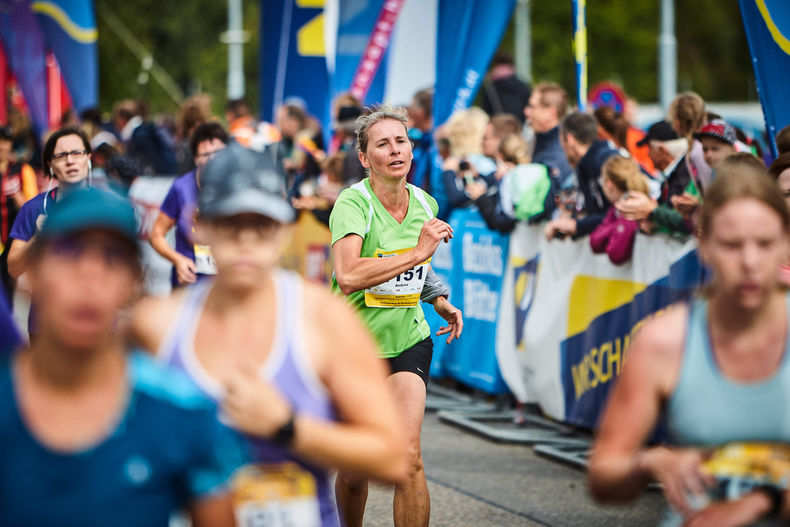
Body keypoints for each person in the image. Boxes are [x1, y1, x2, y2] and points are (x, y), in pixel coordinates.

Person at [132, 142, 408, 526]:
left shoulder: (323, 319)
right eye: (231, 223)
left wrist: (288, 427)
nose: (246, 240)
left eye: (261, 225)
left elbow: (393, 458)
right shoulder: (155, 326)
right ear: (201, 224)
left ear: (283, 230)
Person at [0, 187, 238, 526]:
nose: (90, 276)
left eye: (113, 257)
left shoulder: (181, 410)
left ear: (133, 284)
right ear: (32, 274)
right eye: (69, 251)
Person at [588, 163, 790, 526]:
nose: (749, 262)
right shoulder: (666, 340)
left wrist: (763, 501)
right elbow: (604, 474)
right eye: (731, 245)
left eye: (764, 244)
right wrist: (650, 461)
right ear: (704, 245)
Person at [330, 105, 463, 527]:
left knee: (407, 456)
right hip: (354, 348)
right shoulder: (353, 203)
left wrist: (438, 298)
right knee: (356, 470)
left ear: (411, 149)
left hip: (407, 339)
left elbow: (416, 269)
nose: (395, 150)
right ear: (365, 158)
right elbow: (348, 276)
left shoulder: (425, 202)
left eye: (401, 141)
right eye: (383, 144)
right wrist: (419, 251)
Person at [6, 127, 93, 283]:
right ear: (50, 164)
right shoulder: (34, 208)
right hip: (47, 298)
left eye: (77, 153)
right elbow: (13, 269)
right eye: (61, 156)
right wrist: (38, 238)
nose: (70, 161)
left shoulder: (109, 206)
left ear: (88, 157)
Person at [149, 122, 228, 288]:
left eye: (218, 153)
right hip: (188, 285)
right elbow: (156, 235)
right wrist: (178, 260)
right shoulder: (181, 188)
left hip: (224, 286)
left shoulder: (238, 188)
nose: (212, 159)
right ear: (196, 159)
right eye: (206, 154)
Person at [544, 111, 618, 239]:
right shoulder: (585, 165)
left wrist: (577, 226)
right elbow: (597, 212)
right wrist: (572, 222)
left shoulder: (607, 160)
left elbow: (620, 211)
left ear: (569, 139)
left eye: (561, 142)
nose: (562, 149)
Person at [616, 121, 693, 237]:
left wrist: (652, 211)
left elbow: (686, 221)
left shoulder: (685, 174)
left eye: (649, 148)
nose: (648, 154)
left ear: (662, 151)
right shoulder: (672, 175)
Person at [589, 156, 650, 265]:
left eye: (602, 182)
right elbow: (595, 242)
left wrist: (612, 229)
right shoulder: (616, 209)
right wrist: (614, 228)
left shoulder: (632, 208)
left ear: (609, 184)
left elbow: (616, 254)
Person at [523, 82, 573, 187]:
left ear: (550, 112)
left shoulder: (558, 151)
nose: (526, 111)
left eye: (532, 107)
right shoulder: (540, 140)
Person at [480, 52, 531, 125]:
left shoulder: (491, 87)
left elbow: (486, 109)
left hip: (498, 126)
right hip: (518, 126)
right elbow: (528, 105)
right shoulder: (522, 85)